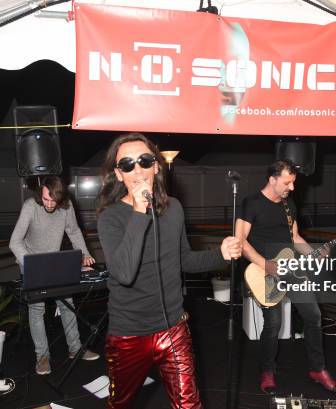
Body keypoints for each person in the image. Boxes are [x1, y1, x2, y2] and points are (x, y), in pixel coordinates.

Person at [96, 133, 241, 409]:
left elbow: (184, 260)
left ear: (156, 166)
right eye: (127, 164)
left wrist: (220, 255)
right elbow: (124, 273)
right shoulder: (110, 217)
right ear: (118, 174)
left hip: (173, 328)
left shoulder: (174, 208)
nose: (137, 169)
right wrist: (140, 211)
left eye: (144, 160)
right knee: (120, 404)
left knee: (189, 405)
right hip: (129, 334)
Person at [235, 160, 336, 394]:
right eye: (287, 182)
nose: (292, 187)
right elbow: (241, 241)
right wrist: (265, 264)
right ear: (272, 179)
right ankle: (267, 371)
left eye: (293, 182)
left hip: (292, 269)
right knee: (273, 323)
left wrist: (315, 253)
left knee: (313, 316)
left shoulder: (289, 205)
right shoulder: (250, 203)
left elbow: (295, 237)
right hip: (263, 271)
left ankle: (318, 369)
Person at [9, 175, 99, 375]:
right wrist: (31, 264)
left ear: (60, 197)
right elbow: (15, 241)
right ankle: (42, 357)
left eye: (53, 200)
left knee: (67, 305)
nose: (49, 204)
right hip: (30, 262)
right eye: (45, 199)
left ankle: (75, 349)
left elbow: (74, 232)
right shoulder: (31, 206)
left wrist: (85, 254)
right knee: (37, 310)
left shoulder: (66, 207)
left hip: (55, 262)